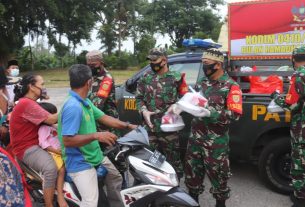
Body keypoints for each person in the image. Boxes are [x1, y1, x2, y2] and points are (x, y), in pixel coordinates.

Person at [58, 64, 137, 207]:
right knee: (90, 202)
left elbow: (104, 118)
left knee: (115, 177)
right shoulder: (73, 107)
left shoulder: (85, 102)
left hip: (95, 155)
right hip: (81, 162)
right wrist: (96, 135)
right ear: (89, 83)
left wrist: (128, 126)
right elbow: (67, 140)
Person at [184, 48, 243, 207]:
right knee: (192, 177)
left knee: (219, 179)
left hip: (215, 144)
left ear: (218, 65)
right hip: (195, 139)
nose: (204, 67)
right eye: (203, 63)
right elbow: (193, 102)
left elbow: (235, 114)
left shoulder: (231, 86)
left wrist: (210, 112)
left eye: (206, 63)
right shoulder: (202, 83)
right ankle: (193, 202)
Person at [135, 48, 188, 178]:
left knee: (173, 161)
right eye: (151, 60)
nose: (152, 63)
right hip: (150, 128)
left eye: (155, 60)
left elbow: (186, 99)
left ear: (164, 60)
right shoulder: (146, 77)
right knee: (152, 161)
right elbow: (139, 98)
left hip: (169, 130)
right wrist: (144, 111)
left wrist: (177, 106)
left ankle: (175, 189)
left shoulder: (177, 77)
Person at [10, 73, 58, 207]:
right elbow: (52, 119)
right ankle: (49, 205)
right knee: (50, 168)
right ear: (31, 86)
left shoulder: (30, 103)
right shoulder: (26, 103)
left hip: (35, 144)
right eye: (42, 84)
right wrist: (72, 104)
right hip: (27, 148)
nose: (44, 87)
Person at [272, 46, 305, 207]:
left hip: (302, 130)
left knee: (299, 163)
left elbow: (292, 105)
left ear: (293, 59)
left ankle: (299, 199)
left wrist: (276, 96)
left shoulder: (299, 75)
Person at [38, 102, 67, 207]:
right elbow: (43, 144)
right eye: (53, 114)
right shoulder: (43, 129)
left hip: (60, 151)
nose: (56, 116)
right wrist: (57, 151)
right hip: (53, 153)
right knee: (61, 169)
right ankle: (59, 193)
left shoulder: (53, 126)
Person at [86, 50, 121, 136]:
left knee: (110, 148)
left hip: (107, 124)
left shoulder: (106, 79)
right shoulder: (92, 76)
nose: (91, 68)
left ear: (101, 62)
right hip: (95, 122)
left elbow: (97, 104)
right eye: (89, 65)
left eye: (94, 65)